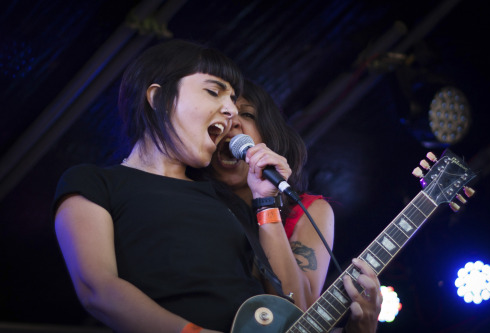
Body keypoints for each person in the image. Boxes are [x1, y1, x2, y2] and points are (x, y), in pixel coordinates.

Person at [52, 40, 292, 333]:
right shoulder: (94, 183)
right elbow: (98, 289)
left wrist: (267, 202)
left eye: (233, 99)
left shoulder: (226, 202)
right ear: (157, 97)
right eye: (214, 91)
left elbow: (291, 305)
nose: (230, 111)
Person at [208, 79, 382, 332]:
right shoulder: (192, 201)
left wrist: (266, 203)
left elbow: (299, 313)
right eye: (224, 115)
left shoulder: (310, 211)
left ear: (267, 134)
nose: (233, 122)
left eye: (246, 114)